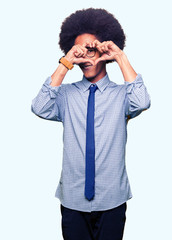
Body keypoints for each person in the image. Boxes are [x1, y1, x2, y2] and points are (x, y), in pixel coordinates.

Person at [31, 8, 151, 240]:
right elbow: (39, 106)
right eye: (78, 51)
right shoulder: (65, 95)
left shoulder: (122, 95)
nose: (85, 57)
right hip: (73, 200)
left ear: (105, 48)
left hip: (112, 199)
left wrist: (120, 56)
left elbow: (142, 101)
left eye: (91, 49)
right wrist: (66, 62)